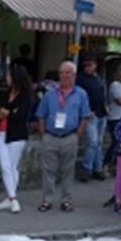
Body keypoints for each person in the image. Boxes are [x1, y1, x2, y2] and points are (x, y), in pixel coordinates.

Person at [35, 60, 89, 213]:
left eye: (68, 73)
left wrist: (78, 135)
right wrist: (43, 134)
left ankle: (66, 200)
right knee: (48, 170)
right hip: (51, 136)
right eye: (62, 72)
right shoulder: (50, 94)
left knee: (68, 170)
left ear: (74, 75)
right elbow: (41, 116)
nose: (64, 76)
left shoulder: (81, 94)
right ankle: (47, 200)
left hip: (70, 136)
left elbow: (84, 117)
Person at [0, 64, 35, 214]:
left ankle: (11, 197)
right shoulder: (3, 93)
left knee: (11, 166)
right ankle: (12, 198)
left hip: (16, 134)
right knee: (6, 165)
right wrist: (7, 113)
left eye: (10, 76)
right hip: (2, 132)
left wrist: (8, 113)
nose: (7, 78)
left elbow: (21, 115)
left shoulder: (25, 96)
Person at [76, 56, 107, 182]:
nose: (87, 67)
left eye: (90, 65)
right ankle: (87, 169)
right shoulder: (81, 79)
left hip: (101, 113)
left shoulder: (98, 78)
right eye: (86, 65)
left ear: (95, 65)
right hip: (90, 114)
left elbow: (101, 93)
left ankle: (97, 168)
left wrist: (105, 106)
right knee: (92, 142)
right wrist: (86, 111)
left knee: (98, 142)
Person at [103, 62, 121, 177]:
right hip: (115, 117)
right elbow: (120, 101)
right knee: (116, 142)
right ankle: (105, 163)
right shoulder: (115, 85)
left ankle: (116, 166)